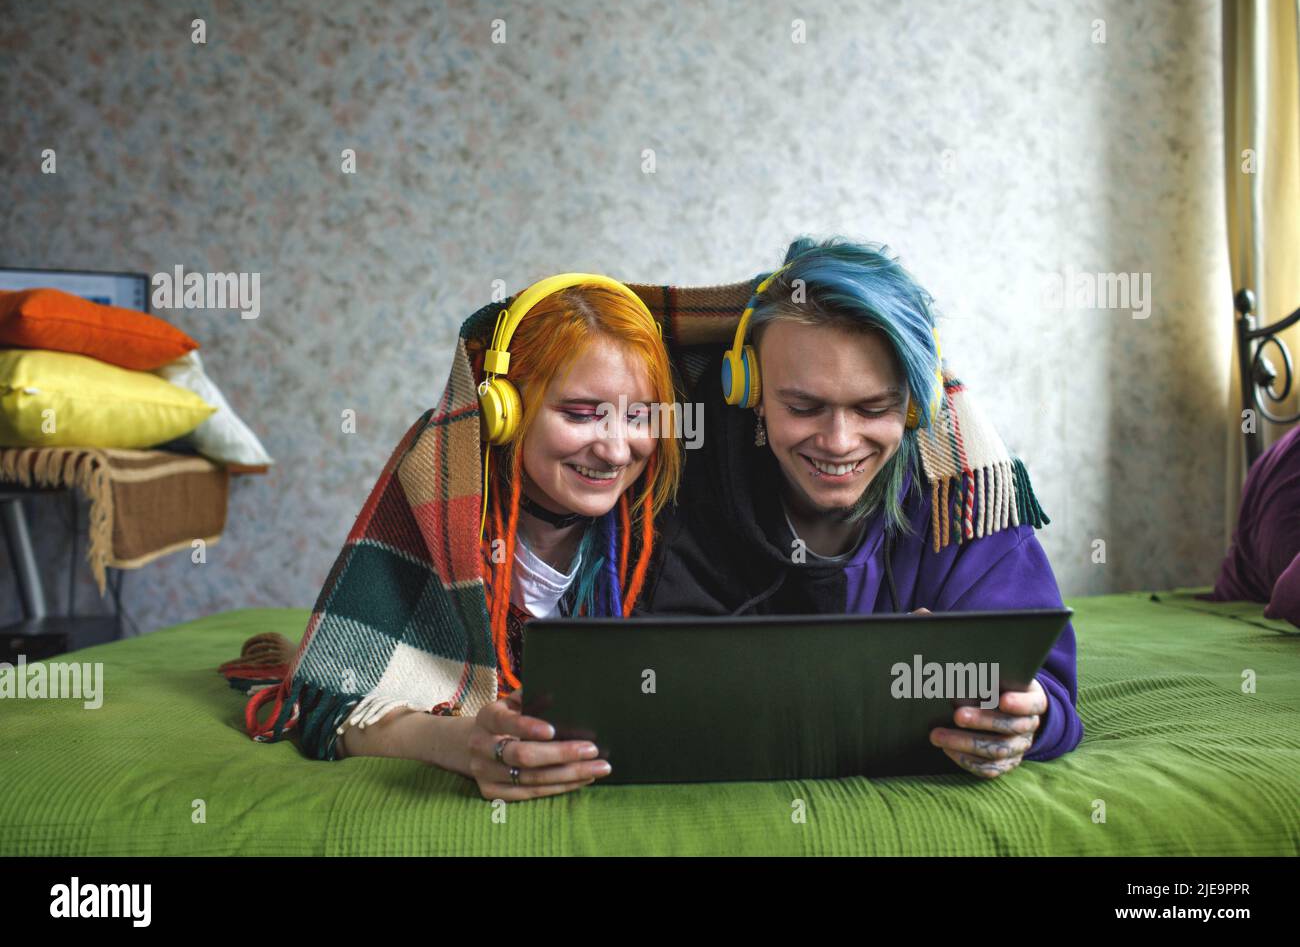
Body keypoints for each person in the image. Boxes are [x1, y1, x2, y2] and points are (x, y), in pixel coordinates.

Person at [223, 274, 682, 800]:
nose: (617, 451)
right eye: (580, 414)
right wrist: (460, 742)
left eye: (640, 417)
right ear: (502, 409)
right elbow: (330, 708)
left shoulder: (659, 526)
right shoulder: (436, 485)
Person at [640, 237, 1084, 779]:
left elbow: (1050, 690)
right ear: (748, 388)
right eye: (803, 407)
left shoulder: (963, 498)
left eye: (874, 408)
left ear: (919, 406)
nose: (838, 441)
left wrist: (1024, 720)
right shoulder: (682, 482)